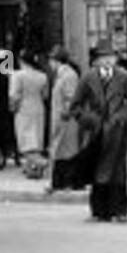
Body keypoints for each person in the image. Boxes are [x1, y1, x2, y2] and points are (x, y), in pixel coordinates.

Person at [71, 40, 127, 222]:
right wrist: (90, 120)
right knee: (98, 170)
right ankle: (98, 211)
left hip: (117, 131)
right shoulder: (88, 78)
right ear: (96, 60)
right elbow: (75, 106)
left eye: (111, 57)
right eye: (103, 57)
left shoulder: (124, 77)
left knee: (117, 171)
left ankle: (119, 211)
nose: (108, 61)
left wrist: (123, 118)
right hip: (96, 132)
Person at [10, 50, 50, 178]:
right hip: (38, 108)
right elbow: (45, 95)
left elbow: (14, 95)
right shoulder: (42, 76)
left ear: (21, 60)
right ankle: (33, 170)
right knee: (36, 140)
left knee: (25, 142)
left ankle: (42, 162)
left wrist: (13, 108)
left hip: (23, 109)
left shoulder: (17, 75)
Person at [47, 46, 82, 191]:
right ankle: (59, 182)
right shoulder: (62, 75)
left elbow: (71, 96)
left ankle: (67, 181)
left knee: (65, 150)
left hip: (66, 120)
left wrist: (67, 112)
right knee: (60, 150)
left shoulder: (69, 75)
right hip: (61, 119)